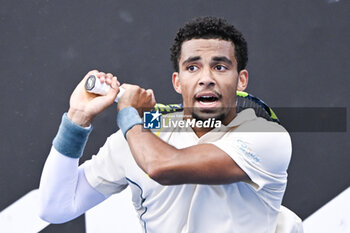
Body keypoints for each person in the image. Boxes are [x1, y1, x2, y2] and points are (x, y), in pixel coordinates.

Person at [39, 16, 292, 233]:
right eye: (192, 67)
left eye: (220, 66)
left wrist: (128, 114)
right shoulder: (137, 138)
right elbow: (56, 207)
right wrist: (78, 117)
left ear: (241, 80)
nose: (206, 78)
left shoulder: (268, 137)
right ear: (177, 82)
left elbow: (162, 167)